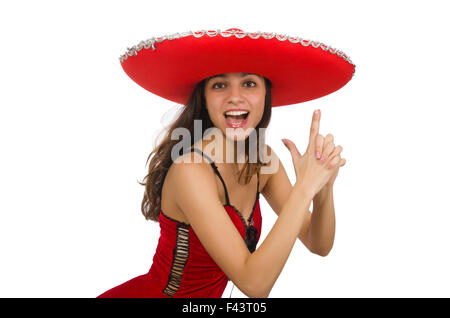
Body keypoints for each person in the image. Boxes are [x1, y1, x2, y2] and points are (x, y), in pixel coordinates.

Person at [97, 28, 354, 298]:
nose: (235, 96)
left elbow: (318, 243)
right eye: (219, 85)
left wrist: (322, 185)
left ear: (266, 94)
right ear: (205, 99)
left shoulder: (263, 161)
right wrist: (303, 187)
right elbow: (255, 285)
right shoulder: (191, 170)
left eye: (249, 83)